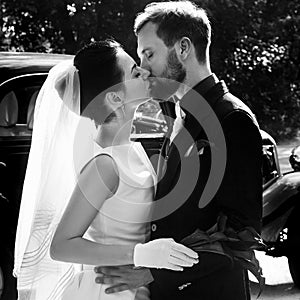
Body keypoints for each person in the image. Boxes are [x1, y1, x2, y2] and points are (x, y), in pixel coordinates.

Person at [94, 2, 263, 300]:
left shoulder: (232, 119)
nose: (143, 68)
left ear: (183, 48)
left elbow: (240, 234)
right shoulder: (173, 113)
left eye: (149, 54)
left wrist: (152, 273)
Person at [13, 40, 198, 300]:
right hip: (106, 291)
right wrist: (140, 254)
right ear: (114, 97)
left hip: (133, 286)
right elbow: (61, 246)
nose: (145, 73)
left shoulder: (132, 149)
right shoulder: (105, 165)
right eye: (134, 73)